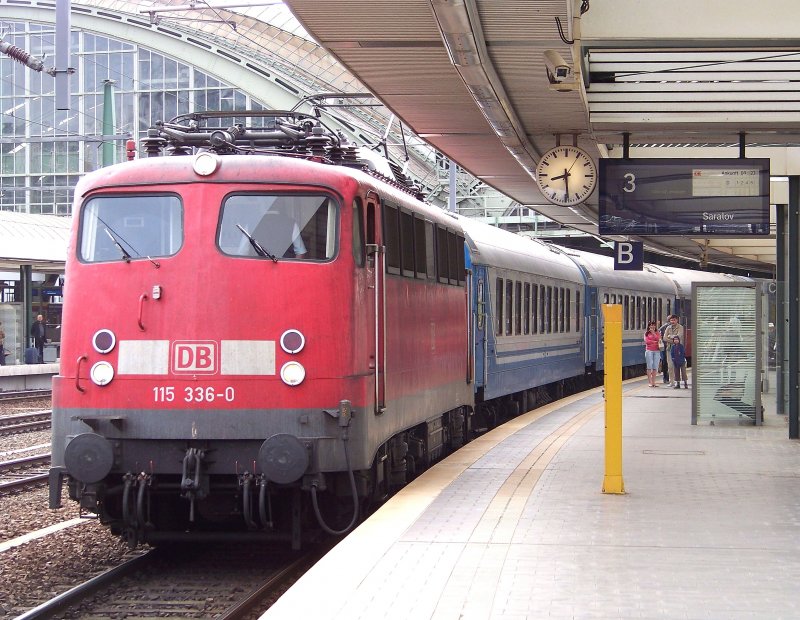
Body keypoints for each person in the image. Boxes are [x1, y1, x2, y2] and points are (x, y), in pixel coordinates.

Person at [662, 314, 685, 388]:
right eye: (671, 320)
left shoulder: (680, 327)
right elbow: (664, 338)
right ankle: (672, 382)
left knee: (677, 366)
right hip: (669, 349)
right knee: (670, 366)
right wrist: (673, 339)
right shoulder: (668, 328)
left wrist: (670, 336)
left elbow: (679, 336)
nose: (672, 321)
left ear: (677, 320)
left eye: (674, 320)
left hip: (678, 349)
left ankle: (677, 381)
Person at [643, 321, 661, 387]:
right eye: (650, 325)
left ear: (655, 326)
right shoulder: (646, 333)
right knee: (649, 366)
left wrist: (654, 334)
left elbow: (659, 340)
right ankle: (650, 382)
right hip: (649, 351)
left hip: (657, 351)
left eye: (653, 325)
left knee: (655, 367)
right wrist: (655, 341)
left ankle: (653, 382)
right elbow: (647, 341)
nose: (652, 326)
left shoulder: (657, 333)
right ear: (648, 326)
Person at [658, 318, 671, 384]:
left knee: (668, 363)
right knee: (666, 362)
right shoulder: (664, 327)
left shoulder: (677, 327)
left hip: (671, 347)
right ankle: (666, 378)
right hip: (665, 347)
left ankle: (667, 378)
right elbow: (659, 335)